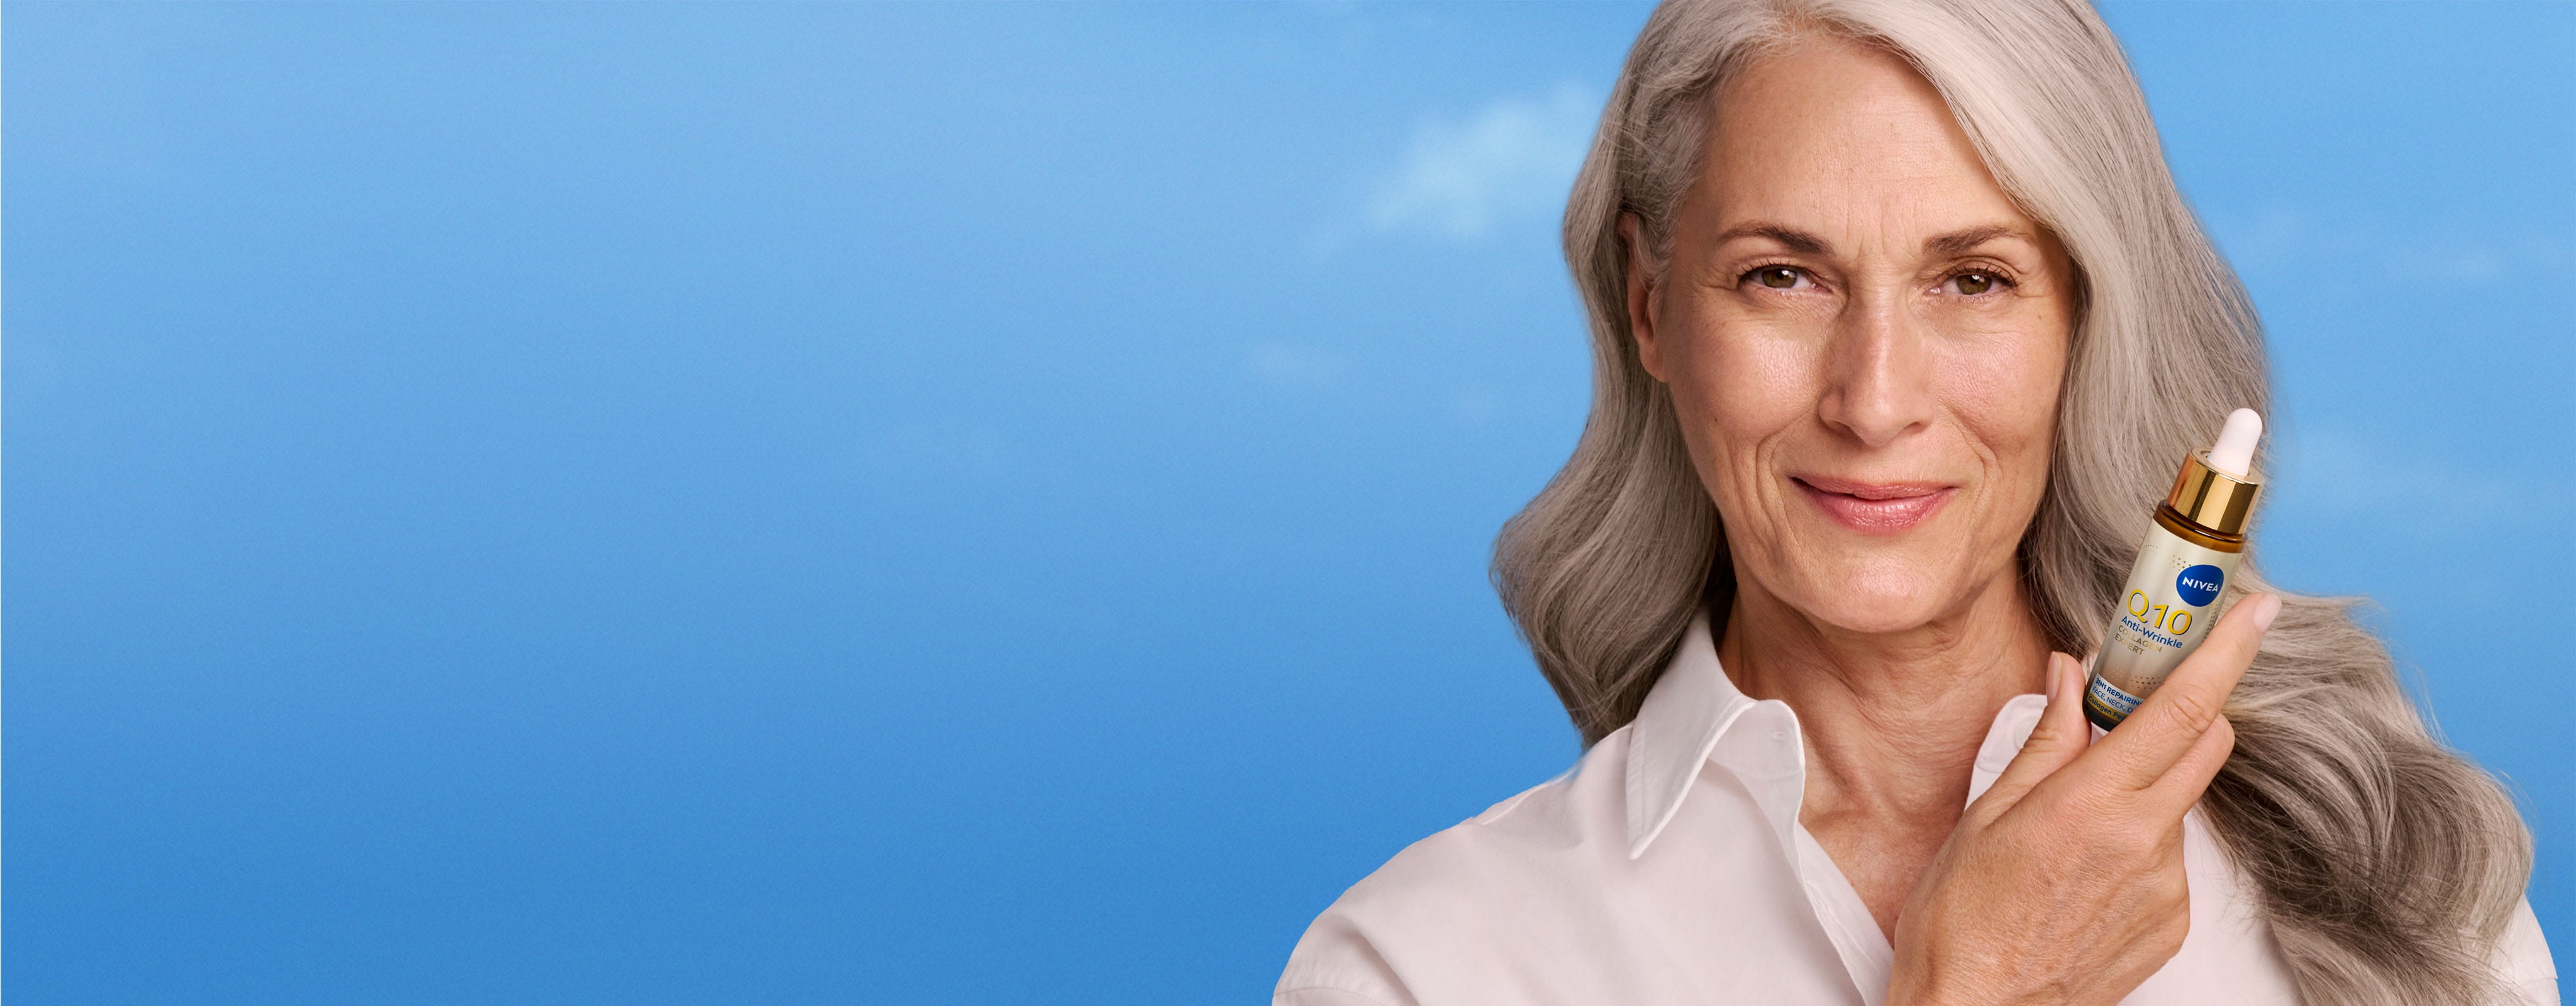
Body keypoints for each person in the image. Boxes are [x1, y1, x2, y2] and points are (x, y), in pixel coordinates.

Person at [1272, 1, 2558, 1003]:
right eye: (1781, 275)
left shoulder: (2394, 885)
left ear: (2081, 320)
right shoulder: (1419, 965)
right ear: (1651, 303)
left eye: (1972, 280)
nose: (1872, 400)